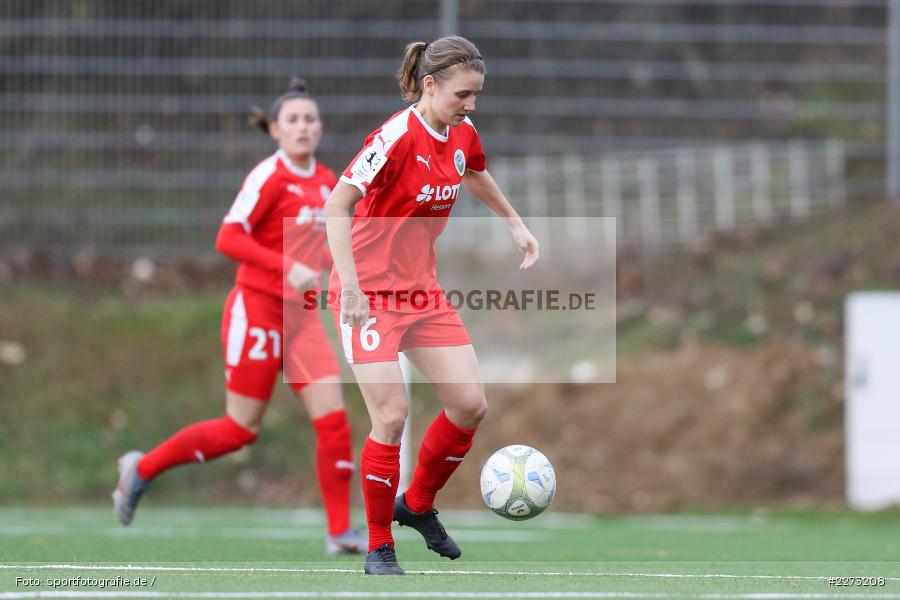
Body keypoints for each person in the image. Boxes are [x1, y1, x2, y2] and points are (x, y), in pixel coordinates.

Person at [112, 78, 364, 555]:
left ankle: (338, 532)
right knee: (238, 432)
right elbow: (228, 238)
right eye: (293, 119)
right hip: (256, 311)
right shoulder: (268, 176)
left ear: (321, 127)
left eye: (310, 119)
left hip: (302, 321)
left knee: (334, 422)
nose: (303, 126)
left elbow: (335, 246)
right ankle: (140, 470)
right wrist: (286, 265)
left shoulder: (330, 182)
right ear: (274, 129)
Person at [324, 37, 540, 575]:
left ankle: (416, 504)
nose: (472, 105)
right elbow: (336, 206)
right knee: (391, 418)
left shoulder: (461, 130)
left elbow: (472, 169)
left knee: (470, 404)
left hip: (421, 292)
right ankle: (378, 547)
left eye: (476, 95)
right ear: (430, 84)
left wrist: (514, 221)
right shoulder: (394, 137)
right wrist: (350, 288)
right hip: (368, 294)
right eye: (463, 94)